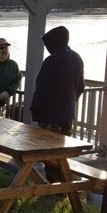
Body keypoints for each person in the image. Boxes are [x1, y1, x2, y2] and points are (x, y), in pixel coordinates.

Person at [30, 25, 85, 182]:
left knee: (49, 152)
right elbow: (81, 86)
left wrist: (34, 108)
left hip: (49, 115)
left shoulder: (51, 61)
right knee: (62, 151)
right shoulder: (76, 58)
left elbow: (43, 89)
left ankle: (54, 185)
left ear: (52, 43)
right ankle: (64, 183)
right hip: (67, 114)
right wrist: (71, 103)